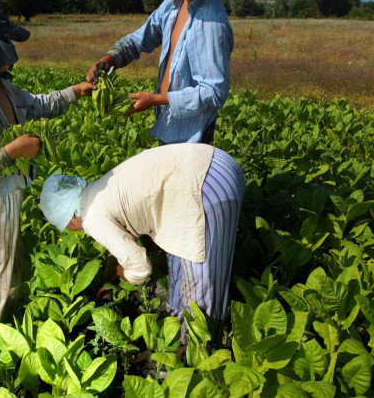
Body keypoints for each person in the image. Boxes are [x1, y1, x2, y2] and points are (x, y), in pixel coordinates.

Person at [0, 0, 95, 369]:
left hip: (7, 198)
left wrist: (74, 93)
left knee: (10, 276)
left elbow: (38, 105)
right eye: (5, 47)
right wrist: (11, 152)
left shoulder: (2, 89)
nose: (13, 54)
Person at [39, 143, 245, 343]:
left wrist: (125, 275)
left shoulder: (91, 217)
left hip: (203, 187)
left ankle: (202, 356)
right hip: (215, 163)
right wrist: (108, 277)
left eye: (65, 225)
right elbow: (119, 244)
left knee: (201, 284)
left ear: (71, 217)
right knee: (177, 253)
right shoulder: (99, 189)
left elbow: (140, 266)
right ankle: (175, 323)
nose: (70, 230)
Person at [87, 0, 233, 145]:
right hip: (167, 122)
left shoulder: (211, 24)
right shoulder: (175, 1)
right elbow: (141, 38)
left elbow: (214, 92)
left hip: (191, 136)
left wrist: (156, 99)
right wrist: (110, 58)